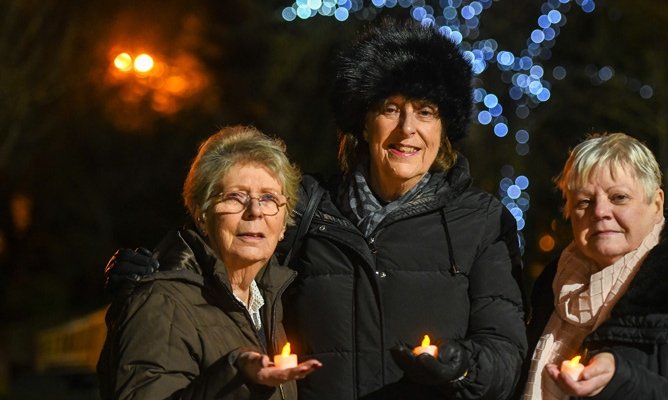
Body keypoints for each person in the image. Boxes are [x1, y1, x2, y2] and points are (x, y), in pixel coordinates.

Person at [106, 18, 527, 400]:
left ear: (444, 128)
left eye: (425, 112)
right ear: (364, 123)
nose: (407, 129)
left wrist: (463, 365)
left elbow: (506, 351)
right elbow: (230, 256)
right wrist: (152, 274)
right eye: (390, 109)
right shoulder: (309, 207)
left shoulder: (481, 221)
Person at [97, 126, 322, 400]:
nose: (255, 211)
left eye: (268, 198)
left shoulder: (267, 303)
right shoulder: (163, 302)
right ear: (202, 215)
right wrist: (238, 375)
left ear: (284, 224)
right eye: (235, 196)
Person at [521, 132, 668, 399]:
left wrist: (620, 380)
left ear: (657, 204)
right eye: (584, 201)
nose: (600, 212)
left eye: (618, 197)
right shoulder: (551, 289)